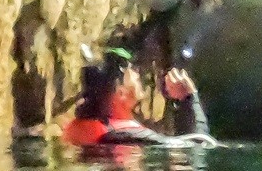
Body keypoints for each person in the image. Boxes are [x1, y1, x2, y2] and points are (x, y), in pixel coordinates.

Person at [64, 49, 211, 146]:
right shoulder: (129, 136)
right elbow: (200, 145)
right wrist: (189, 98)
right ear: (121, 93)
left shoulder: (80, 129)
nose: (136, 73)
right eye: (130, 70)